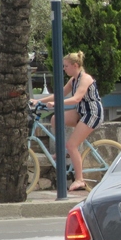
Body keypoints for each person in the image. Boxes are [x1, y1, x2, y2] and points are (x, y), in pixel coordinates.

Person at [30, 51, 104, 191]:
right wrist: (37, 101)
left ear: (75, 65)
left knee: (72, 145)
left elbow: (76, 98)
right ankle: (61, 151)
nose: (64, 69)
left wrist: (57, 104)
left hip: (92, 113)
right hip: (81, 111)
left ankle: (79, 179)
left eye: (66, 66)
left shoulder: (85, 78)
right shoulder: (73, 80)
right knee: (55, 119)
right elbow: (59, 94)